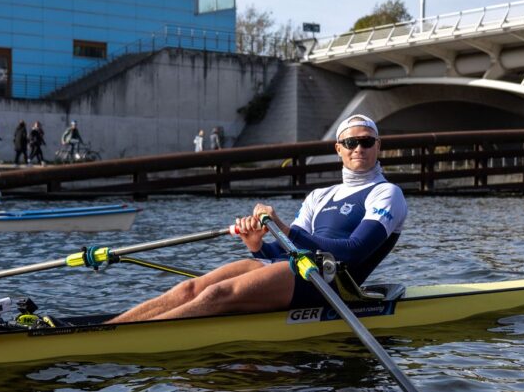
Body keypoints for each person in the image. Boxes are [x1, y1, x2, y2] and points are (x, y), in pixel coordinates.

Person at [109, 114, 407, 323]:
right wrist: (257, 246)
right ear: (338, 148)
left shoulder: (386, 193)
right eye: (351, 142)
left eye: (367, 142)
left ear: (378, 146)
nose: (359, 149)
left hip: (333, 281)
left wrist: (282, 228)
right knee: (190, 289)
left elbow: (354, 251)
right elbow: (286, 250)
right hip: (299, 270)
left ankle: (130, 340)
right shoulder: (319, 196)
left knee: (218, 293)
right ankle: (111, 330)